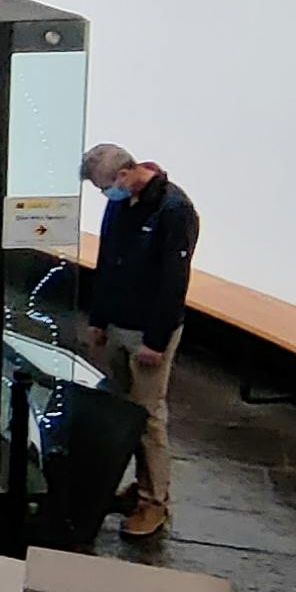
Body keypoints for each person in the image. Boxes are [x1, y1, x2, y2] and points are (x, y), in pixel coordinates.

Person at [77, 140, 201, 542]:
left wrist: (156, 340)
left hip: (148, 332)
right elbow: (108, 258)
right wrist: (98, 318)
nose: (104, 195)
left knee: (148, 416)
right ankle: (138, 487)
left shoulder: (174, 210)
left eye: (105, 186)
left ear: (126, 175)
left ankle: (154, 501)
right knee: (122, 410)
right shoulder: (120, 202)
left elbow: (173, 282)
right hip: (117, 324)